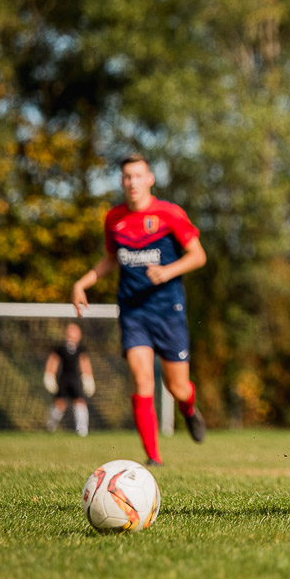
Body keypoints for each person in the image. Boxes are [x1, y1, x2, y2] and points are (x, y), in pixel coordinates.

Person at [71, 154, 208, 466]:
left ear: (150, 179)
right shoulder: (114, 218)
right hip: (133, 312)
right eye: (127, 177)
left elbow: (198, 256)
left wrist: (168, 271)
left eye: (137, 176)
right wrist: (83, 282)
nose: (132, 182)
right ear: (122, 182)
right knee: (141, 379)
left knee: (177, 387)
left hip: (168, 311)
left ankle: (189, 409)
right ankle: (153, 459)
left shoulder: (170, 213)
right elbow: (111, 258)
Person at [44, 322, 94, 437]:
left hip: (75, 379)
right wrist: (49, 375)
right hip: (63, 379)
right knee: (60, 403)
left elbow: (84, 363)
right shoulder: (60, 349)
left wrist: (88, 377)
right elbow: (53, 361)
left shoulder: (80, 350)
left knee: (79, 402)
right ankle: (50, 425)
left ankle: (81, 429)